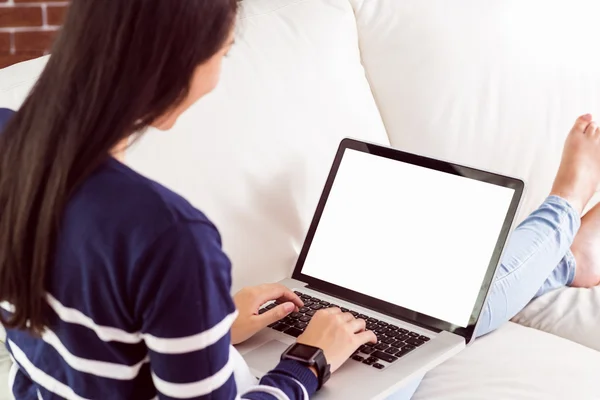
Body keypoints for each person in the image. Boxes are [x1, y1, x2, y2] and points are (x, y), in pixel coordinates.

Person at [0, 1, 599, 399]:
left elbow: (77, 337)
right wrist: (308, 362)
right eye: (227, 51)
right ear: (183, 67)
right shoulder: (169, 234)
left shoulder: (10, 140)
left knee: (440, 310)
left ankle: (567, 244)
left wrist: (205, 326)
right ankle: (566, 231)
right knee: (461, 313)